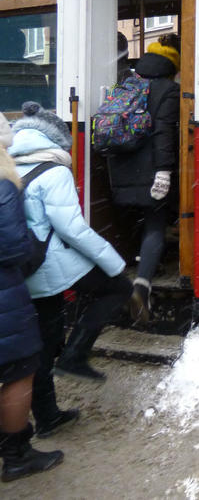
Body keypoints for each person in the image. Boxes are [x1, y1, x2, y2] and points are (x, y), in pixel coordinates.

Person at [9, 102, 129, 396]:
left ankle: (47, 413)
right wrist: (114, 262)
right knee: (118, 288)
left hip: (24, 263)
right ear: (56, 140)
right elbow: (72, 229)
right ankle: (74, 356)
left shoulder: (9, 168)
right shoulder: (54, 172)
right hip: (49, 263)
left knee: (44, 340)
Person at [0, 117, 64, 482]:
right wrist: (33, 250)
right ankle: (17, 455)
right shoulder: (3, 183)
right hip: (4, 296)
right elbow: (12, 247)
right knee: (20, 369)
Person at [106, 33, 180, 323]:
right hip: (150, 170)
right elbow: (164, 133)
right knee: (155, 223)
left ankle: (129, 276)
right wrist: (164, 171)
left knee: (137, 220)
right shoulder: (168, 91)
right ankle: (142, 286)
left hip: (120, 168)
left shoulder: (127, 83)